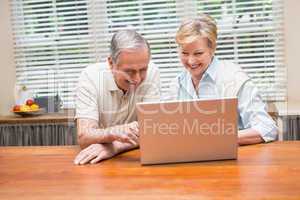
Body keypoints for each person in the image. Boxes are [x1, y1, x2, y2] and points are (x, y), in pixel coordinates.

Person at [167, 13, 278, 145]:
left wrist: (218, 139)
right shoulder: (177, 83)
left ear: (212, 48)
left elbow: (267, 128)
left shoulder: (235, 79)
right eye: (184, 53)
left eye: (198, 53)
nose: (191, 61)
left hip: (232, 159)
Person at [74, 30, 160, 165]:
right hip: (97, 163)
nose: (137, 79)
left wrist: (113, 146)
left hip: (133, 161)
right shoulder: (90, 77)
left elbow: (152, 132)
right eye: (129, 71)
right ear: (111, 63)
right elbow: (84, 136)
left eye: (143, 70)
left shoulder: (153, 72)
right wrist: (115, 132)